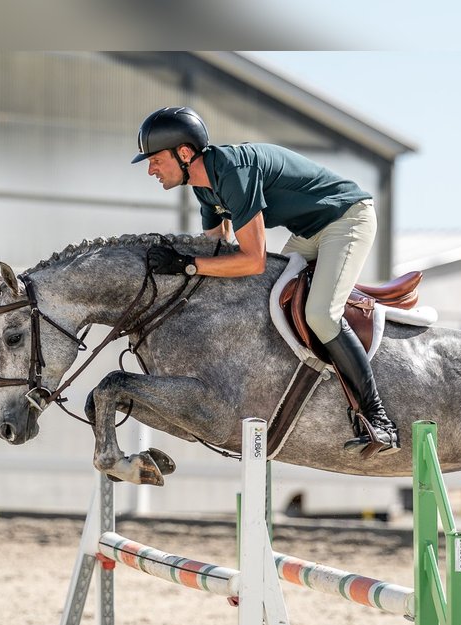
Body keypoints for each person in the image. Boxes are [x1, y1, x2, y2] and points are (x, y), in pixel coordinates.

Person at [131, 106, 399, 456]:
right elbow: (218, 250)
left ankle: (378, 419)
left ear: (184, 154)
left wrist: (186, 264)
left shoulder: (231, 173)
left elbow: (252, 260)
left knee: (320, 314)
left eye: (154, 159)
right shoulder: (204, 187)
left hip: (347, 218)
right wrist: (182, 265)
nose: (150, 169)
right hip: (310, 232)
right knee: (267, 299)